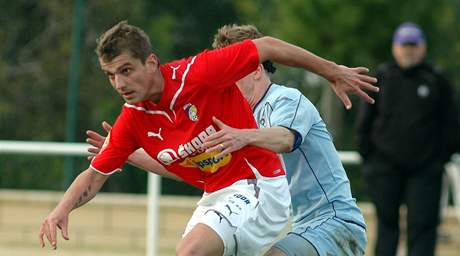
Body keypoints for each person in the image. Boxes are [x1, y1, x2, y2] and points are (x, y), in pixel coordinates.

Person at [39, 21, 377, 256]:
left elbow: (284, 139)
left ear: (151, 62)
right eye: (111, 75)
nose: (118, 83)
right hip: (231, 198)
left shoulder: (264, 95)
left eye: (125, 70)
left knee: (194, 250)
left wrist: (332, 70)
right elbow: (194, 165)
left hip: (285, 200)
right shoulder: (136, 118)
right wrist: (62, 208)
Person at [357, 22, 460, 256]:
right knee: (386, 226)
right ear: (395, 47)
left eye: (414, 45)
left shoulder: (437, 79)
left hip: (425, 168)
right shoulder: (381, 78)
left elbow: (452, 124)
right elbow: (364, 122)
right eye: (405, 45)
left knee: (422, 227)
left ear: (422, 47)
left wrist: (439, 159)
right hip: (384, 167)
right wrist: (370, 159)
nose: (409, 50)